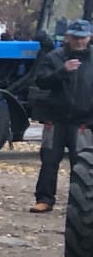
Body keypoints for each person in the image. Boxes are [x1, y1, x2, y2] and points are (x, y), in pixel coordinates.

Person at [27, 19, 93, 212]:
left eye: (83, 38)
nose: (79, 42)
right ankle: (45, 200)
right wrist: (62, 71)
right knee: (49, 161)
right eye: (75, 37)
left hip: (83, 122)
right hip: (55, 120)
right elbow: (41, 81)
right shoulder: (54, 57)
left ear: (90, 37)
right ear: (67, 37)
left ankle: (79, 203)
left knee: (82, 165)